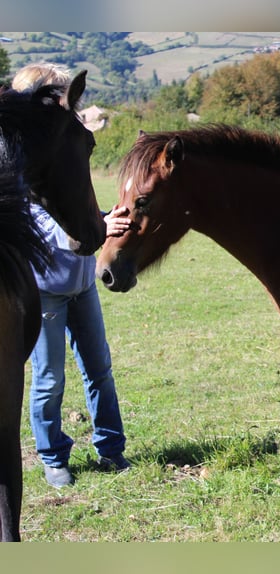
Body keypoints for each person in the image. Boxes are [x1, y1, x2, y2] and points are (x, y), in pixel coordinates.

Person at [13, 63, 133, 488]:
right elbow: (41, 224)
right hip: (45, 290)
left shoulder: (60, 150)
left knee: (99, 368)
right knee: (49, 379)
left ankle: (111, 448)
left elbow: (74, 213)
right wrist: (98, 227)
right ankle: (52, 457)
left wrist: (104, 220)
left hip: (81, 284)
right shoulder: (20, 162)